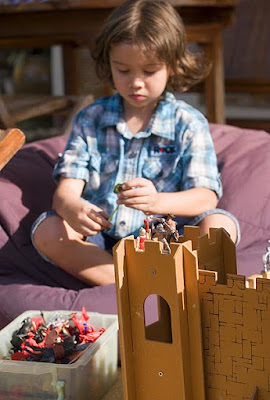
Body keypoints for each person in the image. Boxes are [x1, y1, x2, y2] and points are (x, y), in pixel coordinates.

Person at [31, 0, 240, 287]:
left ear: (173, 65)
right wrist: (73, 209)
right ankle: (135, 284)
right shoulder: (90, 119)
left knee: (220, 225)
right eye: (123, 70)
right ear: (109, 64)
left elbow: (206, 197)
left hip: (169, 242)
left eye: (150, 71)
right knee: (46, 229)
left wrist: (157, 202)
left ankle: (168, 279)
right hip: (103, 244)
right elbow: (65, 194)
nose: (136, 83)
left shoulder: (188, 123)